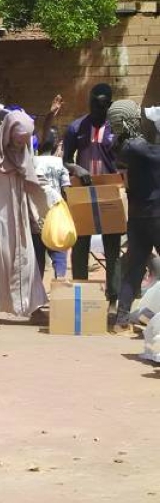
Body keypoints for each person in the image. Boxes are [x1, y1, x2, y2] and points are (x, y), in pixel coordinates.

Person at [0, 111, 49, 329]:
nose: (20, 145)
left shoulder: (24, 146)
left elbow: (28, 170)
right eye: (17, 140)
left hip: (18, 212)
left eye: (24, 141)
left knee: (26, 258)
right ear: (8, 133)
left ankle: (34, 307)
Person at [108, 101, 160, 333]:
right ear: (130, 121)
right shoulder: (139, 147)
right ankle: (150, 316)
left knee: (134, 269)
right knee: (136, 268)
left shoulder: (119, 148)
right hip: (156, 214)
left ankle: (122, 319)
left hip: (137, 216)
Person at [64, 84, 121, 296]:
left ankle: (113, 297)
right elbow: (66, 160)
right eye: (92, 105)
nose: (96, 110)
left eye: (100, 107)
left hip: (110, 193)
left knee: (112, 247)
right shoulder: (76, 128)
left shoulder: (116, 129)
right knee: (80, 245)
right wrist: (77, 169)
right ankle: (81, 293)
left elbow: (126, 160)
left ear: (109, 105)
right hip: (83, 192)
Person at [32, 127, 70, 280]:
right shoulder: (60, 164)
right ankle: (59, 283)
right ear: (56, 144)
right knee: (58, 251)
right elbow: (66, 189)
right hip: (56, 214)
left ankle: (37, 296)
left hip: (35, 216)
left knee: (38, 256)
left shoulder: (31, 162)